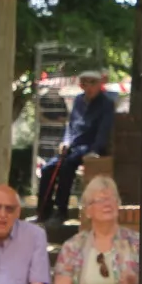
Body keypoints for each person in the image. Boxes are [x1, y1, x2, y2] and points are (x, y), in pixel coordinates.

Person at [35, 71, 115, 224]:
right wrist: (65, 142)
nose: (89, 87)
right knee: (47, 169)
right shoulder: (78, 100)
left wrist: (95, 151)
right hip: (73, 146)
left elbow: (104, 130)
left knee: (66, 167)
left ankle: (61, 212)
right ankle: (42, 212)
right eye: (85, 83)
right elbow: (71, 126)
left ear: (99, 84)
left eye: (93, 83)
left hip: (89, 146)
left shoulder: (106, 104)